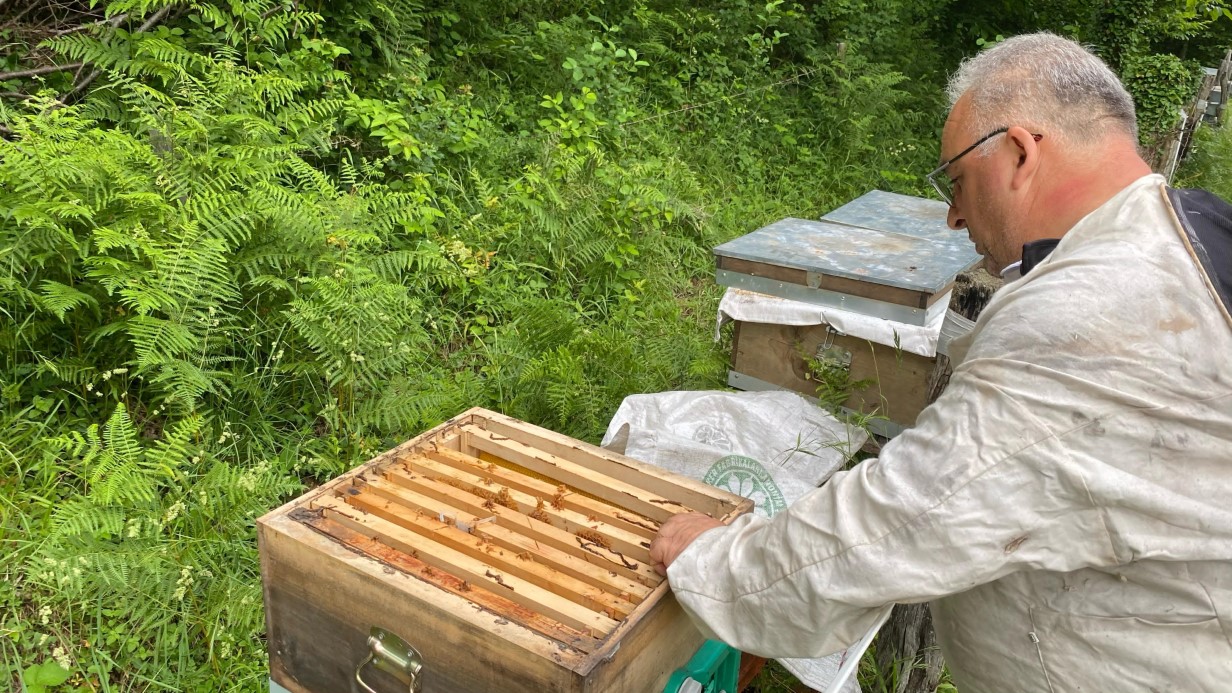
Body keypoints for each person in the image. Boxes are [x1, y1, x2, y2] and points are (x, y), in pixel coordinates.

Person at [649, 32, 1232, 692]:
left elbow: (897, 524)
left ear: (1018, 151)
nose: (953, 216)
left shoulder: (1094, 309)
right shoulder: (1190, 233)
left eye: (957, 180)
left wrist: (716, 562)